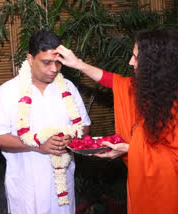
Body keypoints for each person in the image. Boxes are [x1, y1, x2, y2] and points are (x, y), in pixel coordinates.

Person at [54, 29, 178, 214]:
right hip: (140, 183)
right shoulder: (151, 88)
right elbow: (114, 82)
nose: (130, 62)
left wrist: (130, 150)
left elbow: (172, 158)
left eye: (136, 57)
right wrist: (78, 64)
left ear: (156, 62)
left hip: (166, 191)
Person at [0, 31, 91, 214]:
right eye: (46, 62)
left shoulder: (68, 88)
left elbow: (84, 127)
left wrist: (71, 138)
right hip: (26, 188)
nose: (54, 69)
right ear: (30, 59)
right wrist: (37, 146)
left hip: (62, 186)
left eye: (58, 62)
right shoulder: (8, 91)